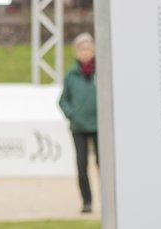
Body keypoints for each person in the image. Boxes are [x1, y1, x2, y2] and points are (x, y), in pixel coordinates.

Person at [59, 32, 98, 214]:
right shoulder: (71, 75)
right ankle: (87, 202)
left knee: (103, 164)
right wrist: (72, 115)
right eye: (82, 48)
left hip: (100, 127)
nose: (86, 51)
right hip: (79, 128)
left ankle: (109, 200)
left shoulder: (102, 72)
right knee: (82, 165)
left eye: (89, 48)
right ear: (76, 52)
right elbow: (63, 100)